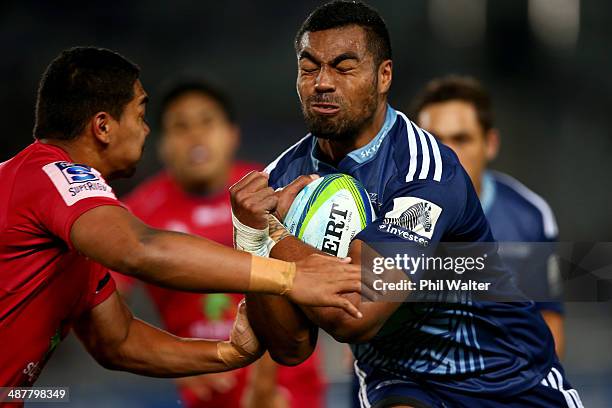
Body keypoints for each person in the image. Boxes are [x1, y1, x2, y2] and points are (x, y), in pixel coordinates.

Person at [228, 2, 583, 407]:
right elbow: (290, 348)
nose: (322, 83)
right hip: (398, 381)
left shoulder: (425, 170)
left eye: (344, 67)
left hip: (504, 381)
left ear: (384, 76)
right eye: (309, 68)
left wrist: (271, 237)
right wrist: (250, 238)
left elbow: (357, 314)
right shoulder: (278, 179)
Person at [0, 47, 363, 393]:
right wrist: (292, 277)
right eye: (141, 116)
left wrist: (226, 353)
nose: (145, 130)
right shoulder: (53, 176)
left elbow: (118, 341)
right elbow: (142, 248)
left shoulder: (79, 223)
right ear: (103, 127)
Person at [113, 81, 325, 408]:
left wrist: (265, 383)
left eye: (207, 122)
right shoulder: (137, 214)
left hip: (287, 388)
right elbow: (99, 297)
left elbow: (310, 278)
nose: (195, 136)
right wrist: (168, 357)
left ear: (231, 134)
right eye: (180, 127)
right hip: (209, 395)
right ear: (163, 145)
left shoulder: (275, 192)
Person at [411, 75, 564, 357]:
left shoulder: (529, 217)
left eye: (461, 139)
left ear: (490, 144)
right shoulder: (385, 215)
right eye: (433, 140)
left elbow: (549, 330)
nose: (447, 154)